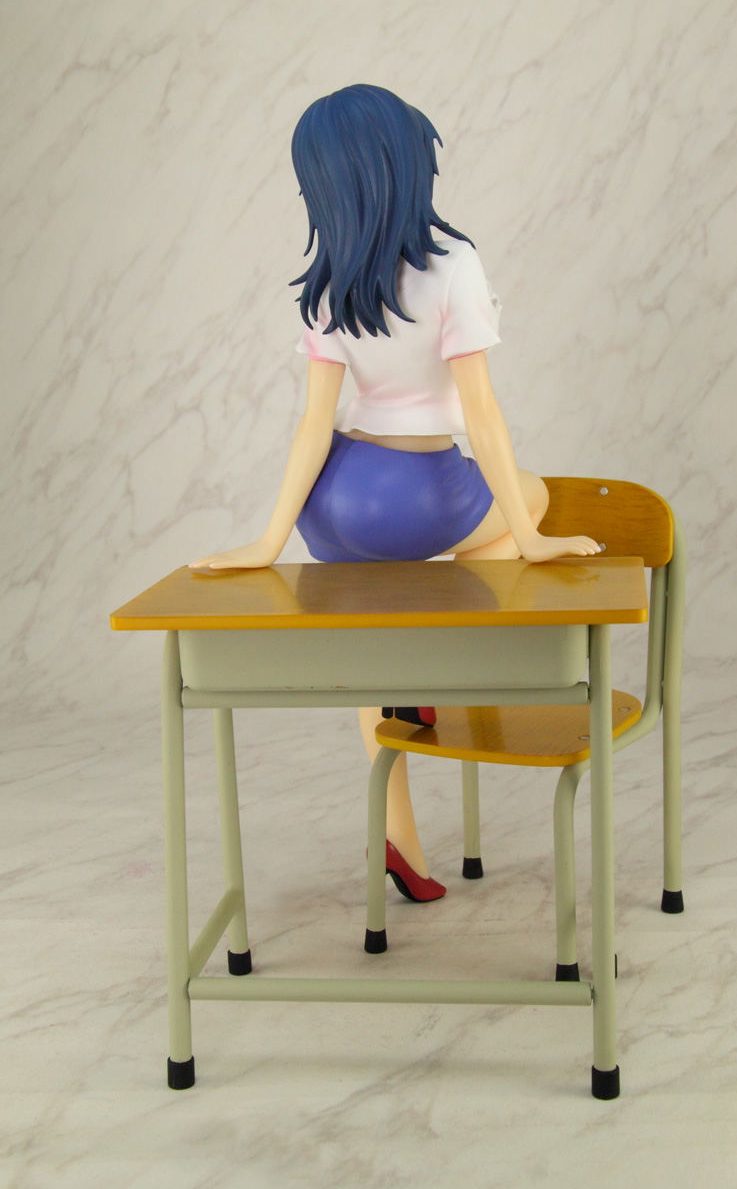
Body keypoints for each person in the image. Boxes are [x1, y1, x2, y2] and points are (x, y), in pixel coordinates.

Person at [190, 84, 599, 901]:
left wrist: (271, 539)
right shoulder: (453, 265)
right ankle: (437, 655)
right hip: (419, 494)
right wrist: (532, 536)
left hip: (335, 500)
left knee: (370, 651)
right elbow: (482, 416)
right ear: (404, 165)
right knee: (532, 495)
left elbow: (314, 426)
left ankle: (398, 839)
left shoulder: (329, 282)